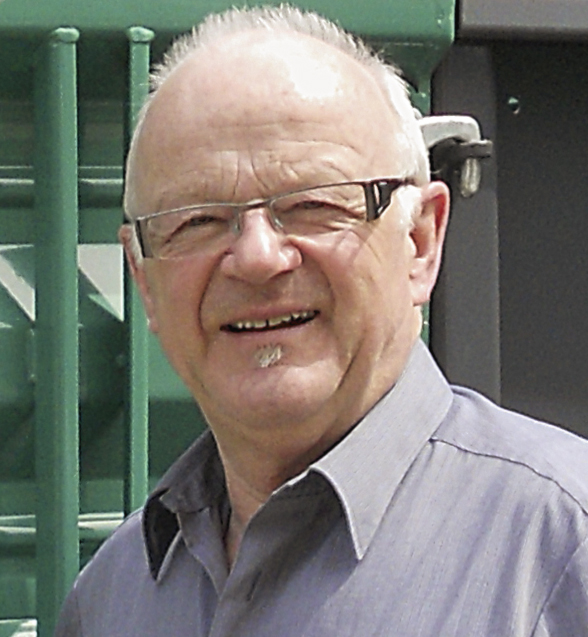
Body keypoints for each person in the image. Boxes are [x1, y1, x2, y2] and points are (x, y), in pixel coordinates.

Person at [56, 5, 588, 636]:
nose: (258, 258)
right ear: (144, 279)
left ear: (420, 241)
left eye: (313, 204)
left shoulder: (562, 550)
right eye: (197, 220)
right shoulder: (114, 597)